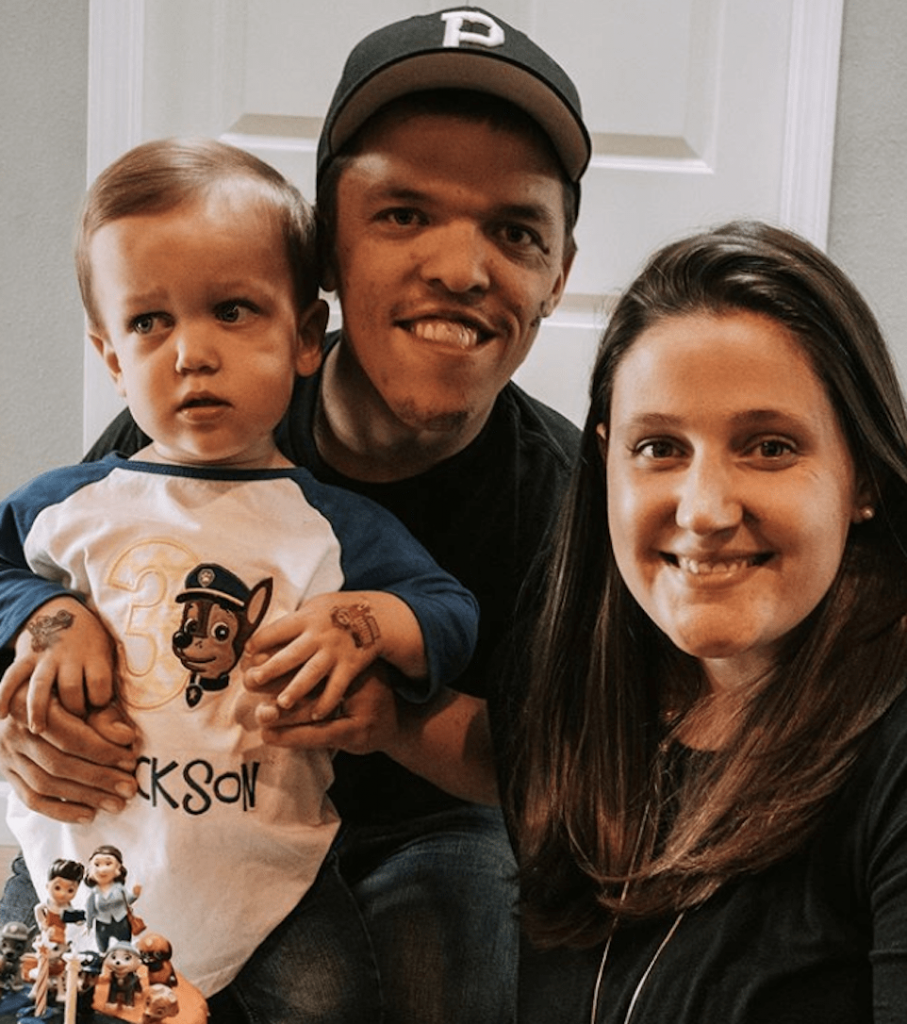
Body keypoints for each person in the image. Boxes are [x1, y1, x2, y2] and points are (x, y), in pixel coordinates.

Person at [0, 8, 590, 1022]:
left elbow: (565, 775)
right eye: (403, 213)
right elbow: (44, 568)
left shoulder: (573, 504)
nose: (460, 268)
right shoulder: (185, 430)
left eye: (514, 230)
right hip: (169, 811)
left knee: (452, 925)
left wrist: (391, 715)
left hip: (432, 824)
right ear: (327, 249)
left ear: (558, 275)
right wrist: (36, 690)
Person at [496, 220, 907, 1023]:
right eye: (658, 447)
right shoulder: (571, 700)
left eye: (769, 447)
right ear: (606, 463)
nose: (704, 510)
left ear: (859, 475)